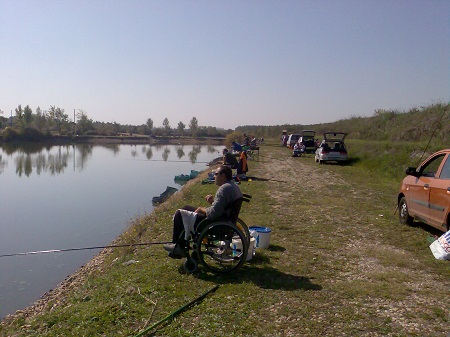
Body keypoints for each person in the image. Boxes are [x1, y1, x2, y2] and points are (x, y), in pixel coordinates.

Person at [163, 165, 243, 259]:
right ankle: (180, 243)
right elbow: (222, 207)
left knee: (179, 214)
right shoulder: (233, 186)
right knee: (186, 208)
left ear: (223, 176)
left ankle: (178, 246)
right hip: (224, 219)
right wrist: (212, 203)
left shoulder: (224, 189)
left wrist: (202, 209)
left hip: (215, 223)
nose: (214, 176)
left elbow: (213, 213)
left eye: (216, 174)